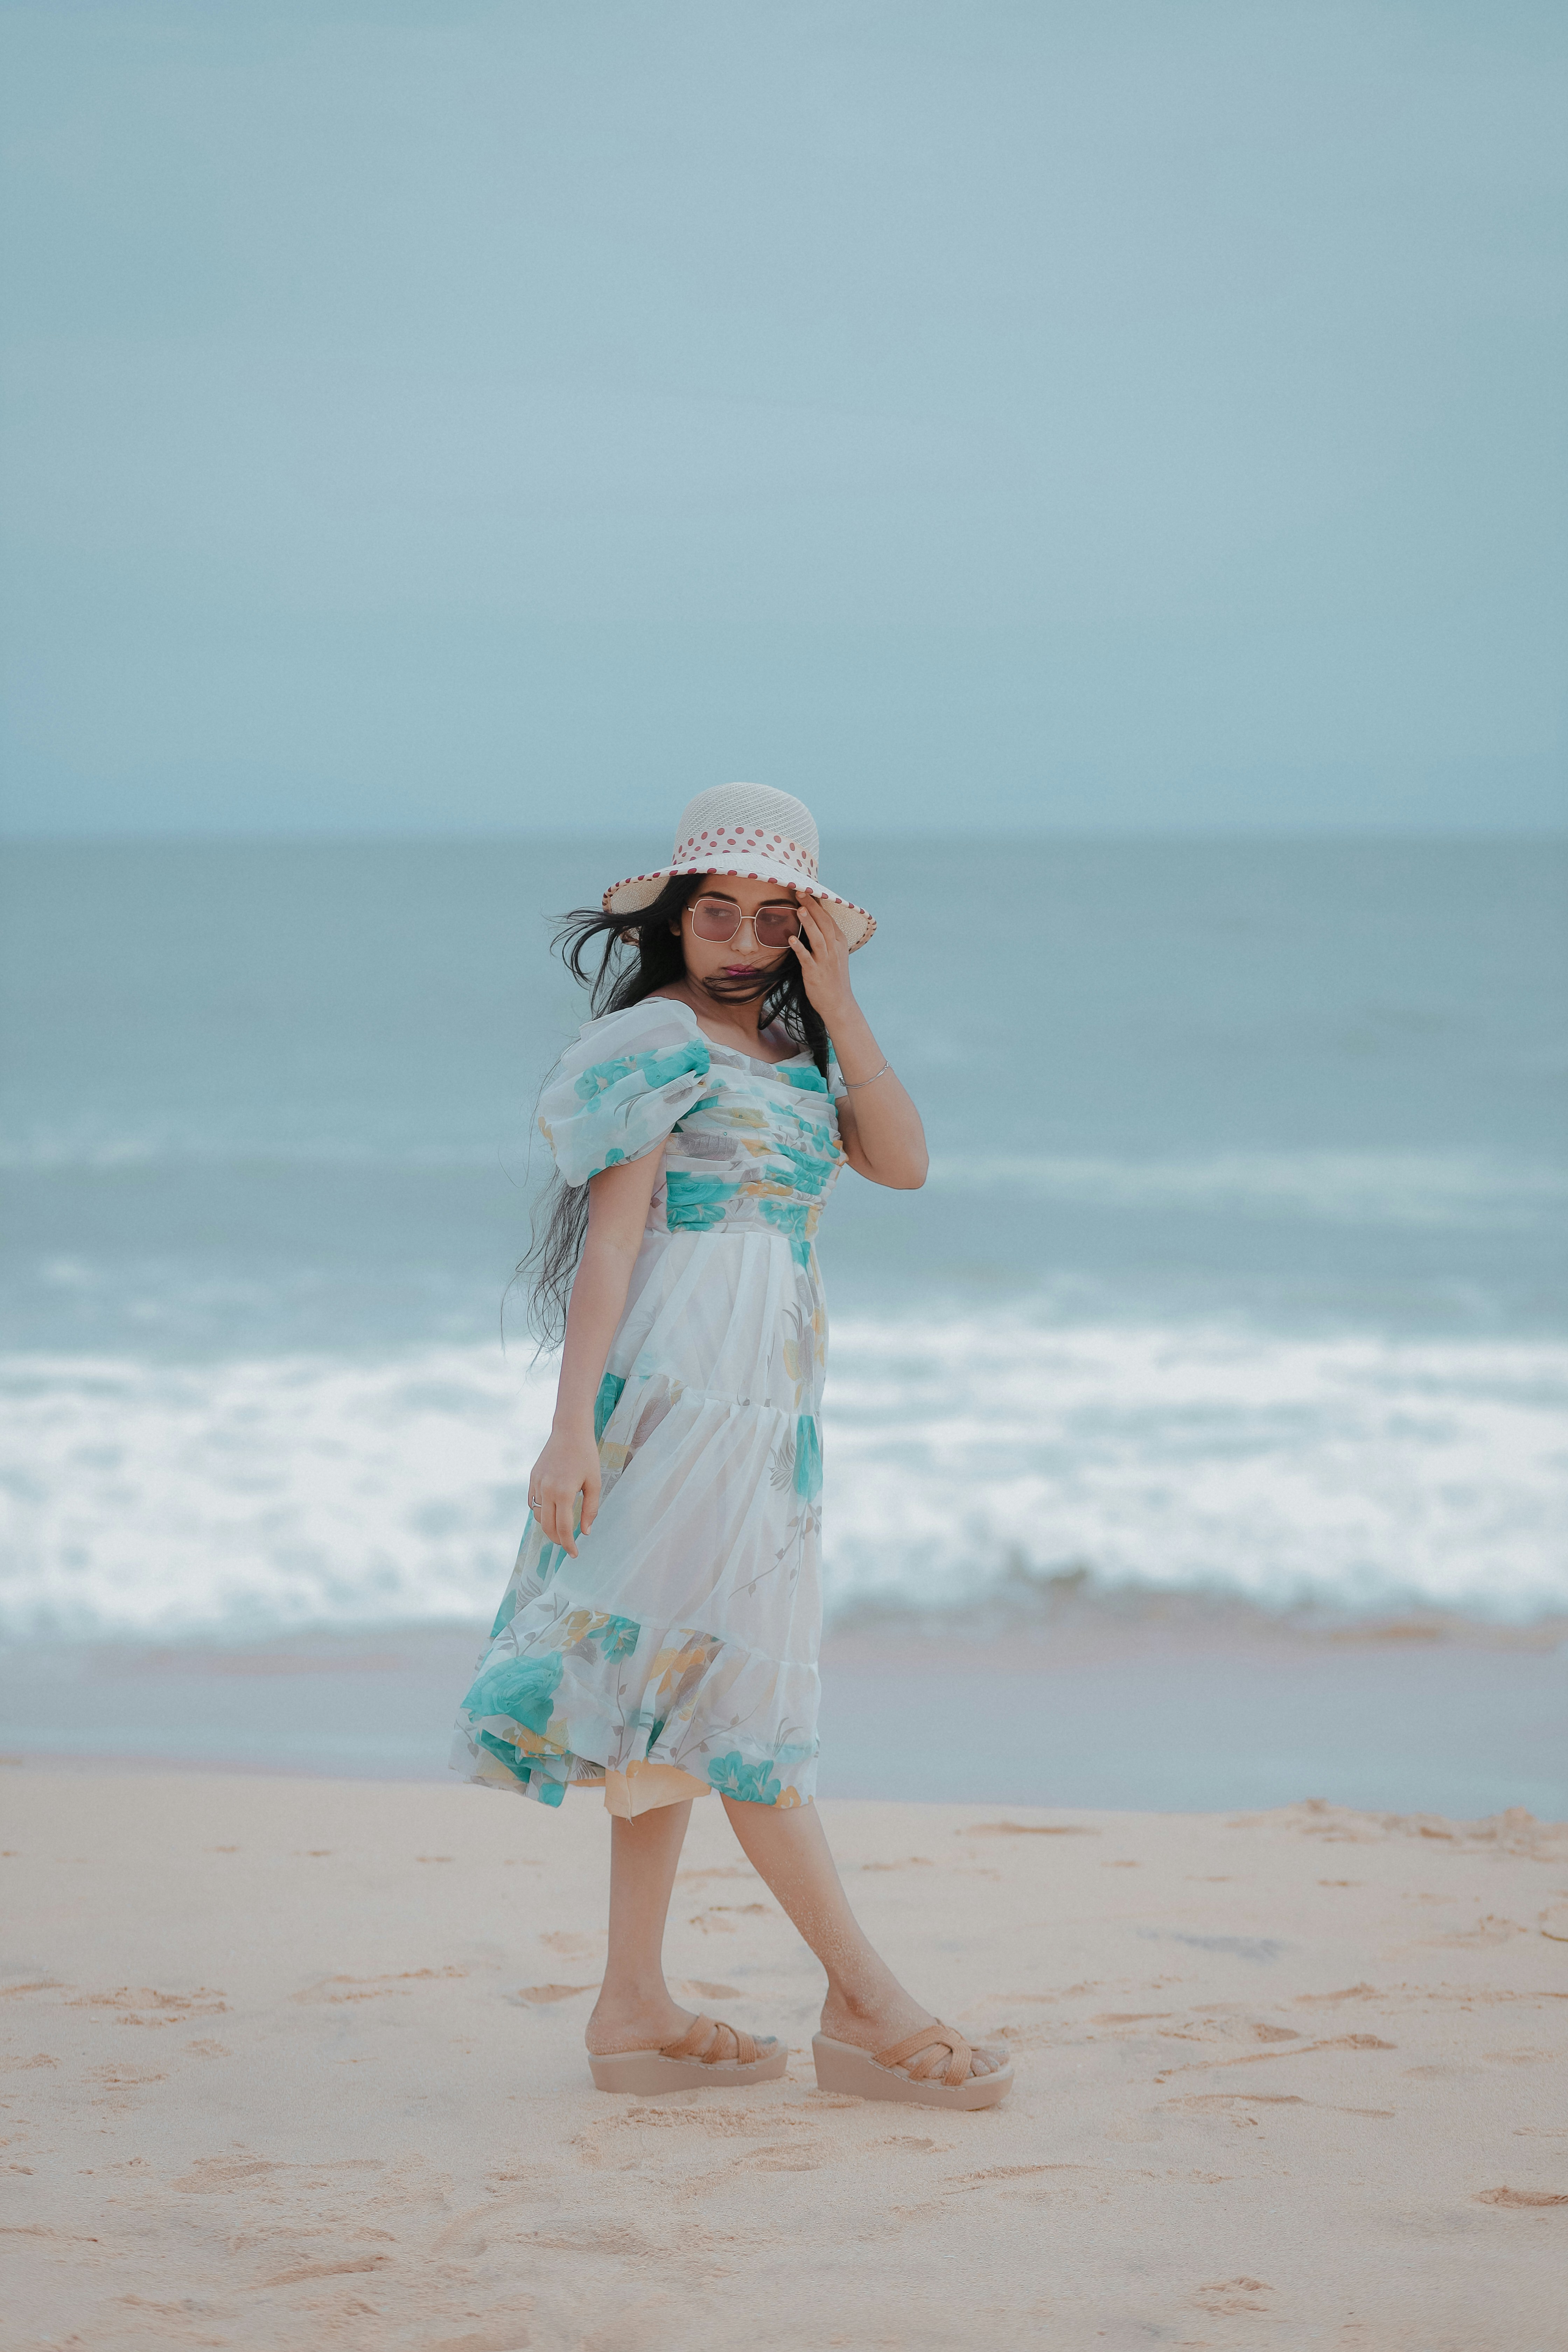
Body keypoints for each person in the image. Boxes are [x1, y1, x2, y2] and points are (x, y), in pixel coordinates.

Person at [452, 783, 1010, 2110]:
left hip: (774, 1397)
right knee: (737, 1701)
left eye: (775, 919)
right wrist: (569, 1431)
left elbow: (907, 1161)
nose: (743, 939)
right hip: (686, 1389)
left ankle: (632, 2008)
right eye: (720, 912)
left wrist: (842, 1003)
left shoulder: (797, 1050)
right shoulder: (650, 1042)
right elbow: (612, 1243)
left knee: (672, 1682)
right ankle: (869, 2003)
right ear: (676, 920)